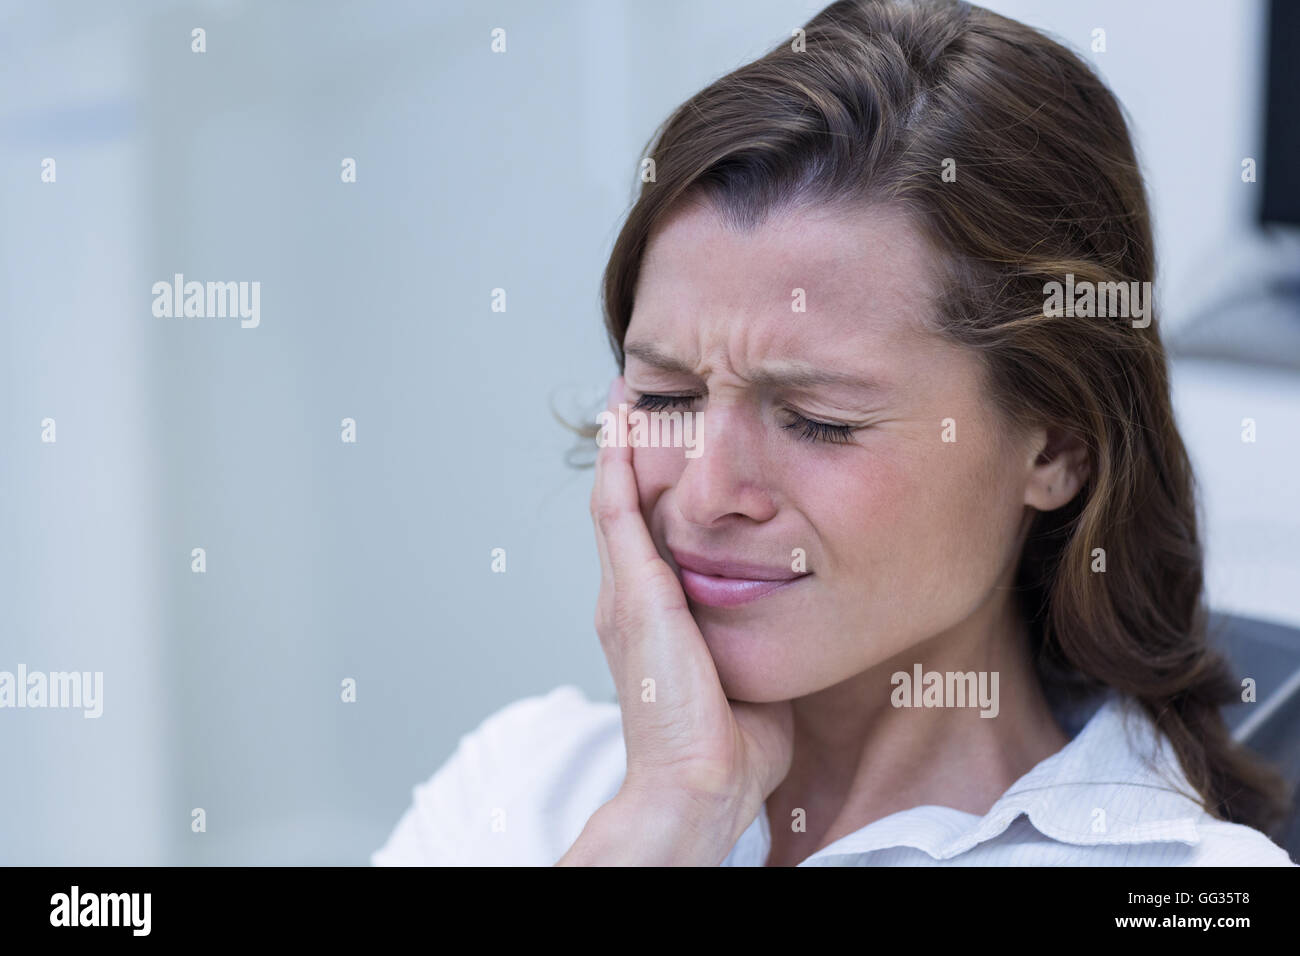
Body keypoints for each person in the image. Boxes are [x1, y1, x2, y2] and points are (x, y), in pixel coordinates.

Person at [374, 0, 1295, 866]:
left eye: (820, 422)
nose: (702, 493)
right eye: (664, 397)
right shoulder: (523, 787)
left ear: (1056, 449)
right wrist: (670, 817)